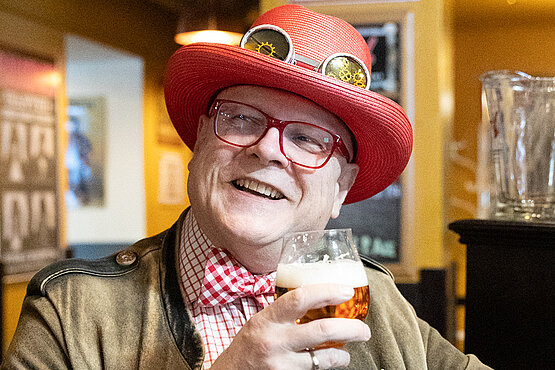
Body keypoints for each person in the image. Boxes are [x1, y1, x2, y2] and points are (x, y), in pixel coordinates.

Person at [2, 4, 491, 370]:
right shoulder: (70, 311)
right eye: (240, 119)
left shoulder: (376, 300)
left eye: (307, 138)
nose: (270, 150)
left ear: (341, 189)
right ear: (198, 141)